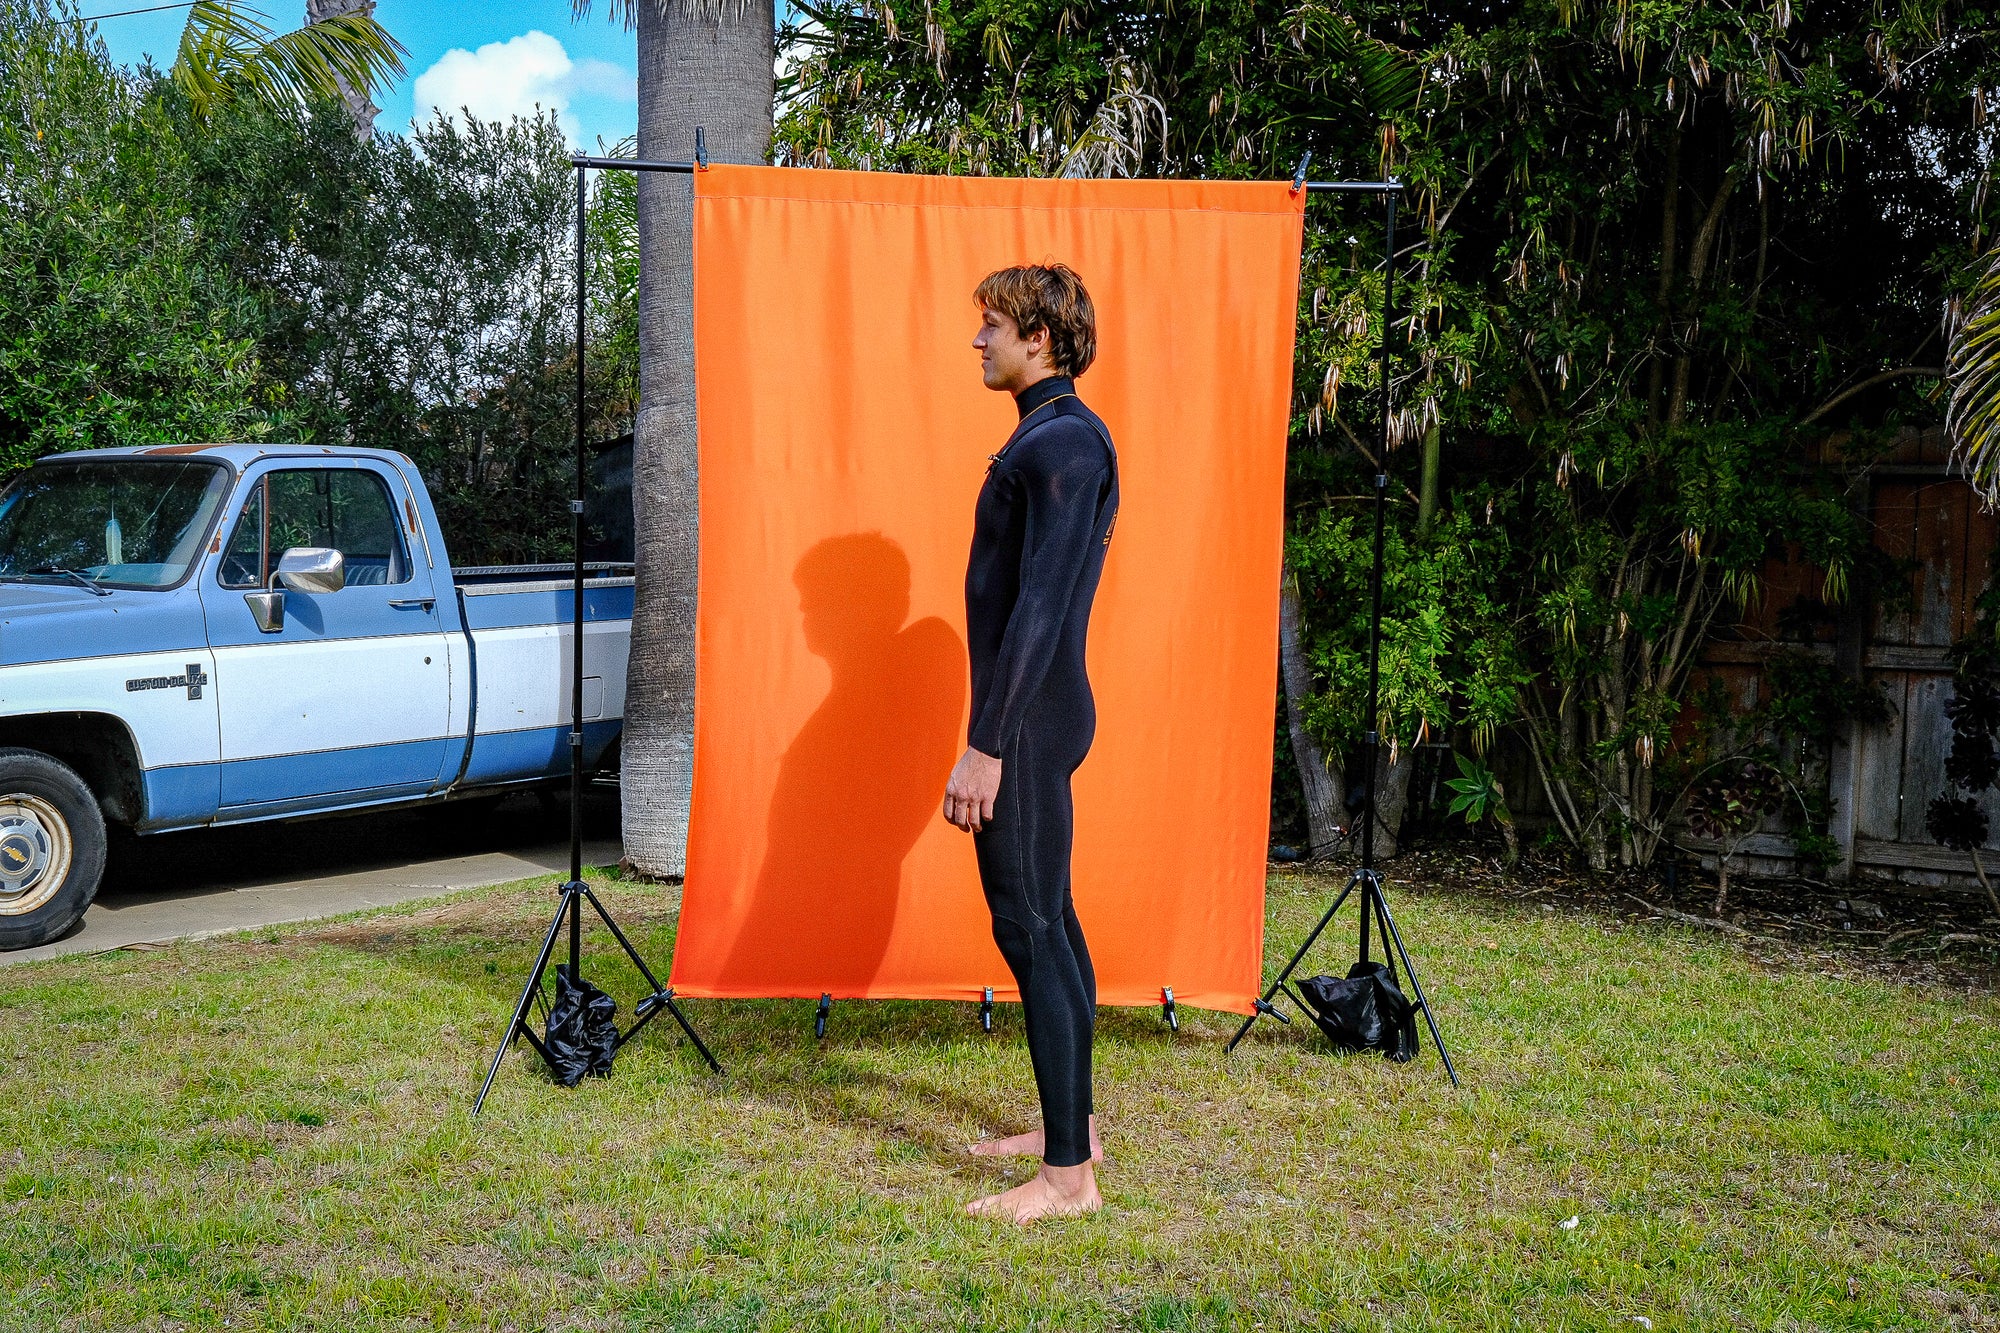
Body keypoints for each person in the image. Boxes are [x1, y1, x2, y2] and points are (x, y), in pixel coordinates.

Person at [943, 263, 1120, 1224]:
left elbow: (1040, 608)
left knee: (1029, 925)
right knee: (1053, 915)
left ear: (1039, 338)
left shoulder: (1063, 444)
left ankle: (1066, 1179)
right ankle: (1073, 1129)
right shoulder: (1052, 434)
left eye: (993, 325)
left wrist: (988, 744)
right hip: (1037, 711)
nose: (979, 340)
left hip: (1031, 717)